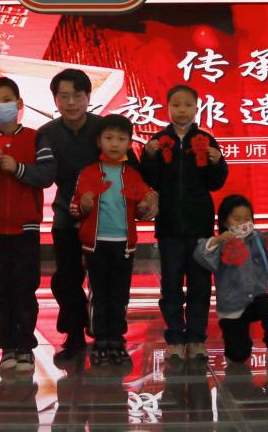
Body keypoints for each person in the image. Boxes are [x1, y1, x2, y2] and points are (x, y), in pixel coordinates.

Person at [0, 76, 56, 371]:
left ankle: (25, 347)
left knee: (24, 290)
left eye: (6, 100)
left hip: (25, 230)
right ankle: (7, 347)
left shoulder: (36, 138)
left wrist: (17, 168)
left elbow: (46, 175)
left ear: (19, 104)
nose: (0, 106)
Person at [141, 84, 229, 361]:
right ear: (167, 108)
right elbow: (150, 180)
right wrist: (149, 157)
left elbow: (215, 183)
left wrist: (217, 162)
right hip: (169, 226)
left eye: (188, 105)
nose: (182, 110)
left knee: (200, 284)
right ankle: (175, 339)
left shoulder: (205, 140)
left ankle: (196, 339)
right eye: (176, 105)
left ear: (196, 108)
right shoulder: (158, 140)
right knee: (171, 284)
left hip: (200, 226)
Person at [71, 114, 158, 366]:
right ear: (99, 141)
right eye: (109, 138)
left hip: (124, 245)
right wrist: (84, 205)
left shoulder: (132, 175)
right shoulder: (88, 173)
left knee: (120, 294)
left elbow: (142, 211)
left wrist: (146, 206)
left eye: (121, 139)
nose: (114, 144)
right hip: (96, 244)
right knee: (99, 293)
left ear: (129, 143)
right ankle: (100, 341)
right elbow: (74, 208)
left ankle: (117, 341)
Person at [38, 69, 105, 363]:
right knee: (66, 278)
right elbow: (40, 173)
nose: (71, 103)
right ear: (55, 99)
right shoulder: (47, 133)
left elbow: (128, 167)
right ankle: (74, 333)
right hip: (66, 215)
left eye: (78, 95)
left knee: (104, 277)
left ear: (88, 97)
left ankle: (106, 335)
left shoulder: (104, 128)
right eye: (64, 96)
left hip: (104, 217)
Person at [194, 194, 268, 370]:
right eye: (237, 219)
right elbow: (201, 255)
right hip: (232, 307)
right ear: (225, 221)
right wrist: (216, 240)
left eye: (247, 218)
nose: (243, 223)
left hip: (256, 300)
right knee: (238, 356)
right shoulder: (221, 244)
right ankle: (238, 343)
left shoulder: (258, 239)